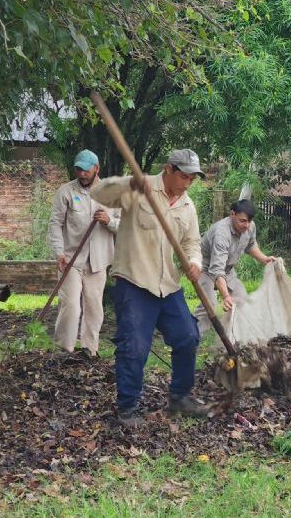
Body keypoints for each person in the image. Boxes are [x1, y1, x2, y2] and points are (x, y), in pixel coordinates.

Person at [91, 149, 207, 427]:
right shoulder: (140, 189)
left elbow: (192, 243)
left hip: (168, 285)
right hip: (135, 282)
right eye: (184, 176)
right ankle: (127, 408)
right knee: (134, 346)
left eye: (192, 179)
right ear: (168, 169)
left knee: (188, 336)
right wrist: (129, 182)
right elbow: (99, 193)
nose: (188, 183)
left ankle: (180, 396)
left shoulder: (187, 206)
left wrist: (194, 262)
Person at [48, 149, 119, 357]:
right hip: (70, 260)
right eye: (78, 169)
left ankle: (90, 350)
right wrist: (59, 252)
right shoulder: (66, 192)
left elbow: (125, 226)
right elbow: (55, 224)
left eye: (86, 170)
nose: (81, 174)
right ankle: (65, 349)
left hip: (98, 261)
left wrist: (109, 221)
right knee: (70, 305)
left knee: (94, 307)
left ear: (97, 168)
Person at [194, 199, 276, 334]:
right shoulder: (221, 233)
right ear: (232, 214)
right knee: (209, 307)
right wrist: (226, 296)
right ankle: (191, 338)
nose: (246, 225)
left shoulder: (250, 226)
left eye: (249, 221)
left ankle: (235, 337)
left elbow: (250, 245)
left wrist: (265, 259)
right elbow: (216, 270)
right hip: (206, 269)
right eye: (242, 221)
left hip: (228, 270)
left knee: (242, 301)